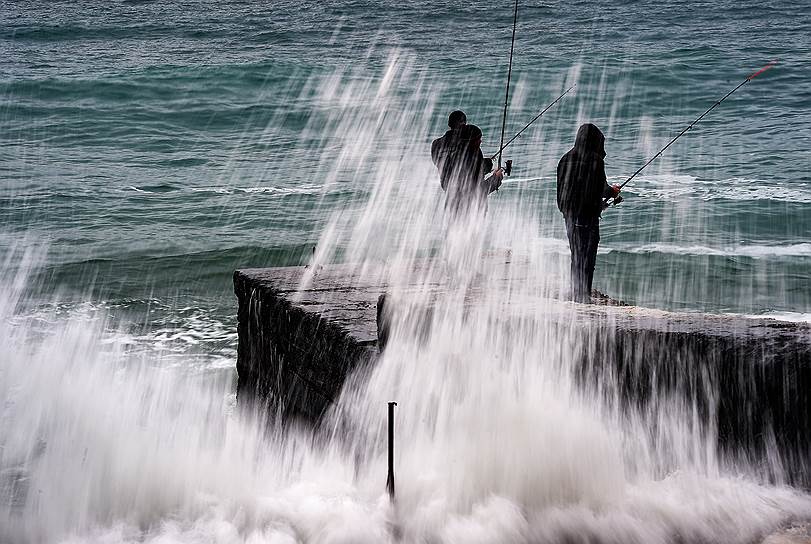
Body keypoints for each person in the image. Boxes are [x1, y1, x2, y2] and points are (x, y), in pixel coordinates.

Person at [556, 123, 621, 303]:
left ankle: (576, 291)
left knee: (576, 253)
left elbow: (563, 189)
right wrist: (613, 192)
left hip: (569, 214)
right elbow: (601, 189)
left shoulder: (565, 159)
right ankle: (583, 294)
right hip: (588, 215)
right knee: (588, 254)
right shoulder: (595, 160)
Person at [442, 124, 503, 219]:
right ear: (470, 141)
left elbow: (474, 171)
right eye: (478, 139)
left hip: (452, 206)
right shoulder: (471, 159)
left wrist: (488, 165)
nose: (480, 141)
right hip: (471, 210)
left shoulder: (455, 155)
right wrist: (496, 178)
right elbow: (479, 190)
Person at [431, 110, 468, 190]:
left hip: (446, 185)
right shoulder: (466, 143)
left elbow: (437, 162)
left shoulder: (436, 144)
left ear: (449, 124)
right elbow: (475, 168)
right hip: (464, 186)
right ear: (464, 125)